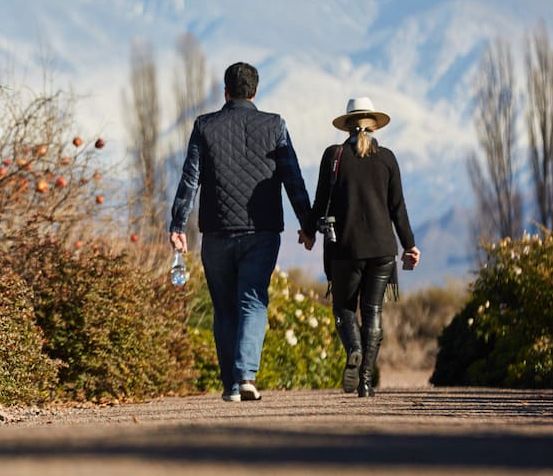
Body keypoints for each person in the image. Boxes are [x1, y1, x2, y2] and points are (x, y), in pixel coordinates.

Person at [168, 62, 313, 402]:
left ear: (226, 92)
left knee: (224, 308)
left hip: (216, 231)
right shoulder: (275, 125)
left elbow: (190, 178)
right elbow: (292, 178)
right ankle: (246, 375)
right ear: (255, 92)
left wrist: (178, 225)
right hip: (261, 231)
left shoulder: (205, 126)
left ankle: (231, 386)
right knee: (253, 299)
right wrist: (307, 224)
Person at [306, 96, 420, 397]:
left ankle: (354, 349)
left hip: (345, 248)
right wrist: (409, 245)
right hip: (383, 249)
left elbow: (320, 202)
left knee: (344, 309)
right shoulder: (388, 158)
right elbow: (398, 208)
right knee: (373, 312)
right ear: (374, 124)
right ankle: (366, 382)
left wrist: (308, 232)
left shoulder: (334, 156)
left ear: (347, 126)